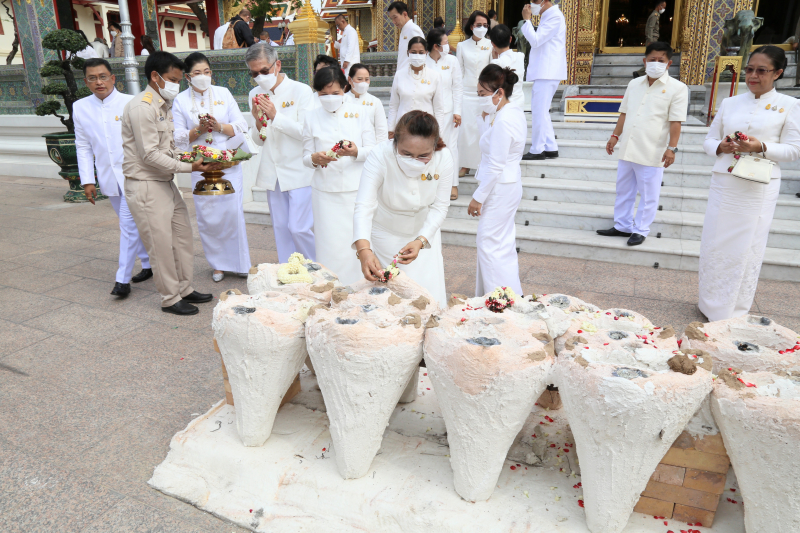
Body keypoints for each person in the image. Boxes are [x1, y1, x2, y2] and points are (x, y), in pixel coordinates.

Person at [698, 46, 800, 322]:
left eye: (761, 71)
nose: (753, 76)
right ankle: (709, 304)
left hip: (758, 187)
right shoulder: (730, 102)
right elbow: (709, 140)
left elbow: (794, 149)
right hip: (724, 182)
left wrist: (761, 146)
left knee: (745, 246)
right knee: (715, 243)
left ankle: (733, 310)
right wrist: (720, 146)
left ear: (777, 73)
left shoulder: (790, 105)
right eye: (750, 69)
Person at [121, 51, 217, 315]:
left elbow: (169, 149)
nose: (176, 85)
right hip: (146, 184)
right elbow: (150, 155)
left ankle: (184, 289)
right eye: (173, 79)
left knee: (182, 238)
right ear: (155, 76)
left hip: (165, 182)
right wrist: (190, 167)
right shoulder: (142, 107)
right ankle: (170, 298)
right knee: (161, 245)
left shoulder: (163, 104)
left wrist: (195, 157)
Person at [353, 110, 453, 306]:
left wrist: (421, 240)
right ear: (395, 142)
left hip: (424, 235)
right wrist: (364, 250)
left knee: (429, 297)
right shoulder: (380, 155)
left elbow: (440, 206)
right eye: (406, 154)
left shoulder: (444, 157)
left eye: (423, 156)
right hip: (385, 235)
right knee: (390, 301)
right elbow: (364, 206)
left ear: (434, 147)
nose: (414, 161)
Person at [75, 58, 151, 298]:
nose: (99, 82)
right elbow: (83, 146)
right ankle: (148, 264)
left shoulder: (131, 102)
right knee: (132, 224)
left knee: (127, 226)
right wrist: (88, 180)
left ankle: (122, 280)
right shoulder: (80, 107)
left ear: (113, 78)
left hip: (134, 174)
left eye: (103, 77)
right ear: (86, 82)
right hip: (109, 177)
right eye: (92, 78)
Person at [172, 52, 252, 282]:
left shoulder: (223, 93)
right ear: (188, 77)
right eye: (197, 73)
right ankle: (218, 264)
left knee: (232, 212)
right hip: (201, 166)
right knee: (208, 216)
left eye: (206, 72)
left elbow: (241, 125)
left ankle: (240, 263)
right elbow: (177, 137)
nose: (203, 76)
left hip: (227, 162)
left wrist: (218, 127)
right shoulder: (180, 100)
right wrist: (198, 130)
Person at [599, 42, 688, 247]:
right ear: (644, 61)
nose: (656, 63)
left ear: (669, 63)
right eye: (652, 59)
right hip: (628, 146)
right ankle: (622, 225)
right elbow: (624, 113)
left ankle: (640, 230)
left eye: (660, 60)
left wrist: (672, 148)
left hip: (652, 149)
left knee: (648, 194)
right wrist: (615, 136)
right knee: (624, 189)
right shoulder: (634, 84)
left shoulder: (677, 88)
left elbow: (676, 122)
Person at [303, 67, 376, 286]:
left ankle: (360, 286)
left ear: (345, 88)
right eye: (323, 94)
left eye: (335, 93)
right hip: (325, 192)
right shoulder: (311, 116)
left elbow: (374, 150)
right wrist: (315, 158)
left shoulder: (360, 112)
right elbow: (305, 156)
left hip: (355, 190)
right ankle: (331, 287)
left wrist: (355, 152)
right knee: (329, 243)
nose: (330, 98)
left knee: (357, 241)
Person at [247, 43, 316, 264]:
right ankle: (289, 270)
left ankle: (316, 266)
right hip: (272, 172)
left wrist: (275, 116)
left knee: (299, 228)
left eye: (264, 70)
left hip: (299, 170)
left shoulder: (301, 90)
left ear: (277, 65)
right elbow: (259, 139)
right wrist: (258, 121)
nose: (260, 77)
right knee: (280, 228)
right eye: (254, 73)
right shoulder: (254, 94)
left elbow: (306, 133)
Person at [469, 64, 525, 297]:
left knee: (489, 242)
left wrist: (478, 197)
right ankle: (507, 294)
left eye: (483, 94)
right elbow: (489, 142)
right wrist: (484, 118)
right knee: (501, 243)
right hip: (506, 184)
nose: (480, 98)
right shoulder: (508, 112)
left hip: (500, 186)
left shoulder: (504, 120)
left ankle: (498, 299)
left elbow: (496, 164)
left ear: (499, 92)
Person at [520, 0, 567, 161]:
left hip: (547, 71)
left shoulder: (554, 16)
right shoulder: (548, 16)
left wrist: (527, 20)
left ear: (545, 1)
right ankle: (551, 146)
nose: (531, 4)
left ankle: (537, 149)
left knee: (539, 111)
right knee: (541, 110)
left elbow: (535, 40)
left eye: (535, 1)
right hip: (545, 71)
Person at [426, 27, 463, 201]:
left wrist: (457, 111)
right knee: (429, 148)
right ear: (436, 46)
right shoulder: (424, 62)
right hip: (428, 112)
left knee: (450, 147)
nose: (448, 45)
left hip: (449, 113)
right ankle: (431, 184)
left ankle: (452, 184)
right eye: (446, 42)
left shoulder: (452, 61)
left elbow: (457, 87)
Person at [388, 36, 446, 141]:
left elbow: (438, 109)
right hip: (403, 127)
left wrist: (439, 134)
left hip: (426, 128)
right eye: (413, 52)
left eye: (421, 52)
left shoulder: (434, 76)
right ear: (408, 53)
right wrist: (391, 130)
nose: (417, 55)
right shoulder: (399, 75)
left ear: (426, 53)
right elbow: (394, 106)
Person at [456, 10, 492, 178]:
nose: (482, 28)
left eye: (485, 25)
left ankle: (481, 164)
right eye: (479, 25)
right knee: (466, 130)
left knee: (482, 130)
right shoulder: (462, 46)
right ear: (471, 26)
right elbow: (459, 72)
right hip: (466, 93)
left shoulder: (490, 45)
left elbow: (492, 69)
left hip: (485, 94)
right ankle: (465, 164)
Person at [346, 63, 389, 143]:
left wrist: (379, 148)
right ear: (350, 80)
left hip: (370, 147)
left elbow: (381, 131)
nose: (363, 83)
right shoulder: (343, 100)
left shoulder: (375, 102)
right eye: (359, 79)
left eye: (366, 79)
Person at [489, 24, 525, 110]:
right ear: (510, 39)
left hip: (504, 104)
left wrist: (494, 59)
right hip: (519, 102)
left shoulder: (496, 63)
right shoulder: (520, 56)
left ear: (493, 44)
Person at [387, 1, 424, 73]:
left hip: (411, 74)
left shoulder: (413, 29)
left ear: (404, 14)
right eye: (392, 19)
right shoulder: (404, 30)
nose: (394, 21)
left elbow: (420, 55)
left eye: (395, 17)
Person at [634, 1, 666, 78]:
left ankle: (640, 73)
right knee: (652, 59)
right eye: (663, 7)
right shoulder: (654, 15)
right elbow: (650, 28)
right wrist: (651, 41)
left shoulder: (656, 15)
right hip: (652, 40)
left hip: (654, 39)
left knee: (653, 58)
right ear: (659, 6)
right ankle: (639, 73)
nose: (664, 9)